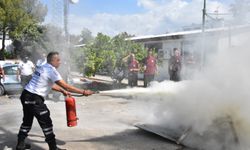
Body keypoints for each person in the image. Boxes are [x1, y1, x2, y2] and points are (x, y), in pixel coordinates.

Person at [16, 52, 95, 150]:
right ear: (52, 61)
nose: (60, 62)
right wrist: (83, 91)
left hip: (25, 95)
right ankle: (53, 148)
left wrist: (62, 91)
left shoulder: (43, 67)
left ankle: (20, 145)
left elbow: (49, 83)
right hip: (34, 98)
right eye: (58, 60)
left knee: (27, 121)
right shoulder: (51, 71)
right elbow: (66, 86)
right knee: (46, 122)